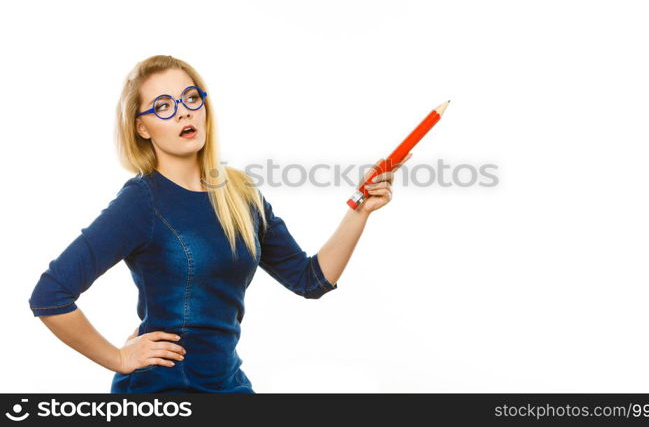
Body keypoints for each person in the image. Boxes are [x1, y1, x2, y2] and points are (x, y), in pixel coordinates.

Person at [28, 54, 412, 393]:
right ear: (141, 127)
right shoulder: (141, 202)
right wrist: (118, 358)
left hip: (228, 384)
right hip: (163, 390)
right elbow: (50, 296)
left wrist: (359, 210)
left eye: (191, 97)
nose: (183, 111)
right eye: (163, 106)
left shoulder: (240, 193)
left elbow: (309, 280)